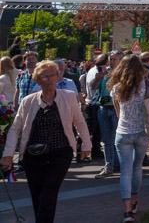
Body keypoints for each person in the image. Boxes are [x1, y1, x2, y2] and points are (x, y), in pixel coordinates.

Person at [1, 60, 91, 223]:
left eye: (53, 75)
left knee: (48, 194)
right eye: (45, 77)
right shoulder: (28, 101)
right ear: (37, 79)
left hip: (61, 152)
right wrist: (8, 154)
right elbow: (15, 128)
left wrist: (86, 144)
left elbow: (79, 122)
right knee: (38, 196)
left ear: (58, 77)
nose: (49, 80)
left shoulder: (68, 97)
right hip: (33, 155)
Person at [108, 54, 149, 223]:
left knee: (125, 172)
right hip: (142, 131)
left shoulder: (117, 87)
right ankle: (134, 201)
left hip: (123, 132)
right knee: (137, 169)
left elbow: (117, 111)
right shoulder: (148, 85)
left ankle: (127, 210)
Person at [91, 50, 123, 179]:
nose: (112, 61)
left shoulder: (123, 73)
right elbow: (93, 88)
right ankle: (109, 166)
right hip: (103, 107)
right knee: (106, 139)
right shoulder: (104, 72)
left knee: (118, 139)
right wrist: (97, 80)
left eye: (115, 59)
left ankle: (119, 164)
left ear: (121, 60)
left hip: (117, 107)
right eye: (111, 59)